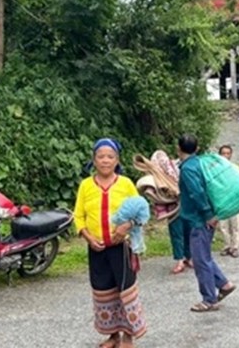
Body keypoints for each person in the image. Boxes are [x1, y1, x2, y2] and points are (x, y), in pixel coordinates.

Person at [73, 138, 146, 348]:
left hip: (121, 248)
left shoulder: (125, 184)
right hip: (96, 248)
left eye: (110, 157)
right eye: (101, 157)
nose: (105, 160)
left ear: (117, 160)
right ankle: (113, 336)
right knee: (103, 292)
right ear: (94, 160)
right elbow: (78, 216)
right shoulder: (86, 186)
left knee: (125, 290)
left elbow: (141, 211)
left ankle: (128, 336)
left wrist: (127, 225)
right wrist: (88, 237)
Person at [177, 134, 236, 312]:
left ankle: (209, 299)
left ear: (178, 148)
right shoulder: (200, 163)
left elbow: (197, 193)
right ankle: (224, 284)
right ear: (197, 148)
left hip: (199, 219)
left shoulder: (188, 169)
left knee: (200, 260)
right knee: (203, 256)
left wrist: (207, 214)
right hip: (204, 216)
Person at [150, 150, 192, 274]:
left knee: (188, 231)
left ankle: (189, 257)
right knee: (176, 234)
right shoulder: (155, 175)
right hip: (171, 208)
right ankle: (179, 260)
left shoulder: (177, 167)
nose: (162, 163)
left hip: (185, 205)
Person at [217, 145, 239, 257]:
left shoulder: (235, 168)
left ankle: (235, 246)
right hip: (222, 199)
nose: (226, 156)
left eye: (228, 153)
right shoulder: (216, 169)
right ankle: (227, 245)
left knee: (235, 225)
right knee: (223, 225)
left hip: (234, 199)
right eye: (223, 153)